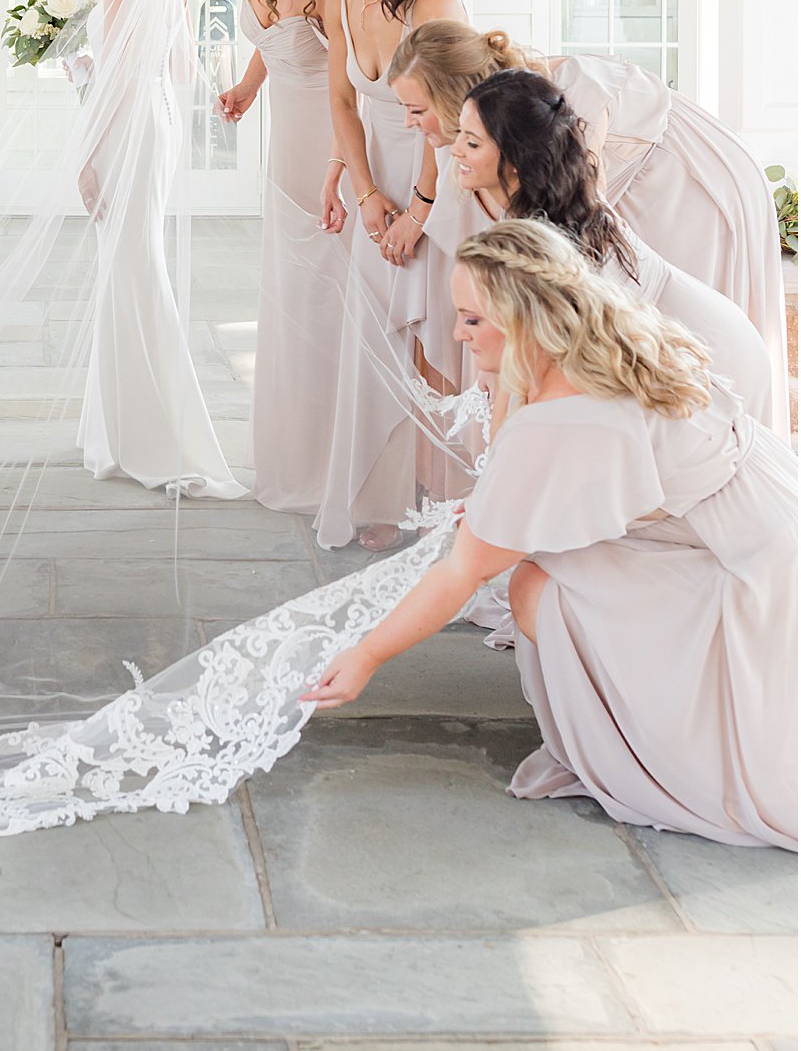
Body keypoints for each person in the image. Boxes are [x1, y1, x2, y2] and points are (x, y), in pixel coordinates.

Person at [305, 219, 797, 851]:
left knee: (536, 589)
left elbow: (464, 571)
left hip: (757, 581)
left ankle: (659, 747)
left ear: (528, 320)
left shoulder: (565, 419)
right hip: (762, 526)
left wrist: (366, 656)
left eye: (473, 320)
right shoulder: (612, 340)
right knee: (543, 561)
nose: (458, 334)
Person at [390, 23, 787, 429]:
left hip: (711, 321)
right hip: (674, 337)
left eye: (418, 111)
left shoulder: (558, 211)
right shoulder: (531, 184)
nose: (410, 126)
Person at [450, 71, 774, 420]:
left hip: (712, 354)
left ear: (515, 159)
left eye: (472, 143)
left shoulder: (548, 241)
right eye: (459, 135)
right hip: (679, 348)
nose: (454, 150)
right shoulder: (548, 204)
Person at [304, 0, 466, 547]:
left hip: (440, 166)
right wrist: (366, 193)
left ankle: (445, 500)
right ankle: (383, 493)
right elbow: (343, 100)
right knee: (373, 330)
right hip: (375, 165)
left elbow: (448, 115)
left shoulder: (433, 1)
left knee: (436, 332)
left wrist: (419, 211)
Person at [78, 0, 245, 498]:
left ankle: (151, 430)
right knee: (133, 260)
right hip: (158, 121)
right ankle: (129, 421)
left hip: (127, 124)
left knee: (129, 264)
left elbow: (122, 78)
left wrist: (87, 154)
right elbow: (175, 65)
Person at [216, 0, 344, 512]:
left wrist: (346, 162)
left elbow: (348, 74)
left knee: (333, 295)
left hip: (331, 144)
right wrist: (245, 86)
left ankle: (342, 467)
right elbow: (273, 44)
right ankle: (295, 458)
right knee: (292, 294)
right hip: (285, 148)